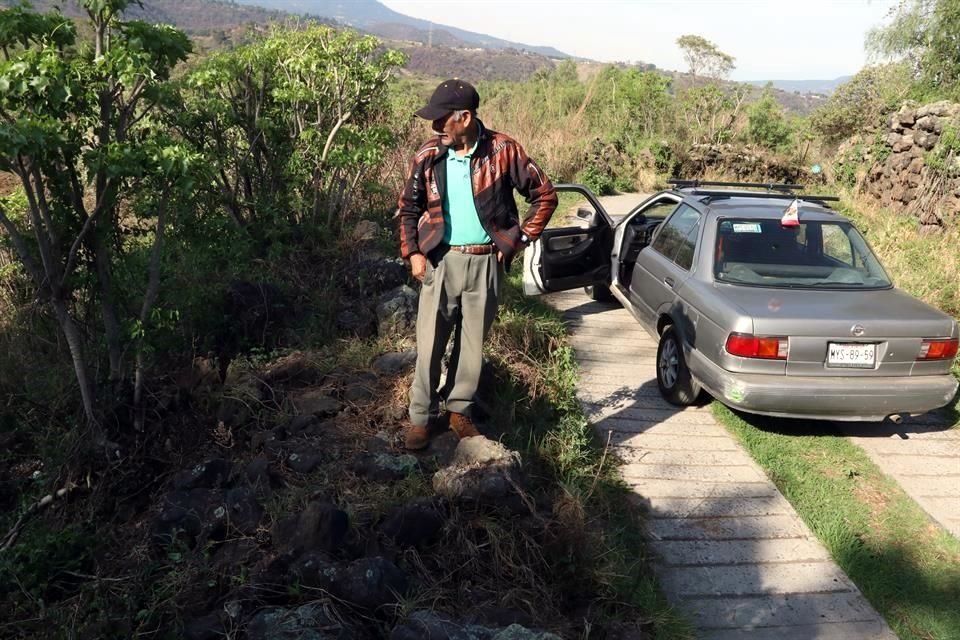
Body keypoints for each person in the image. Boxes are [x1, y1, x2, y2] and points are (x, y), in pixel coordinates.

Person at [396, 78, 558, 450]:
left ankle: (459, 413)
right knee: (429, 343)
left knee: (471, 347)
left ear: (465, 117)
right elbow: (408, 207)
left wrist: (518, 239)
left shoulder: (503, 150)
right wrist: (414, 253)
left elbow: (544, 195)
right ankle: (421, 417)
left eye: (442, 120)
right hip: (440, 260)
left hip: (485, 263)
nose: (436, 127)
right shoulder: (428, 155)